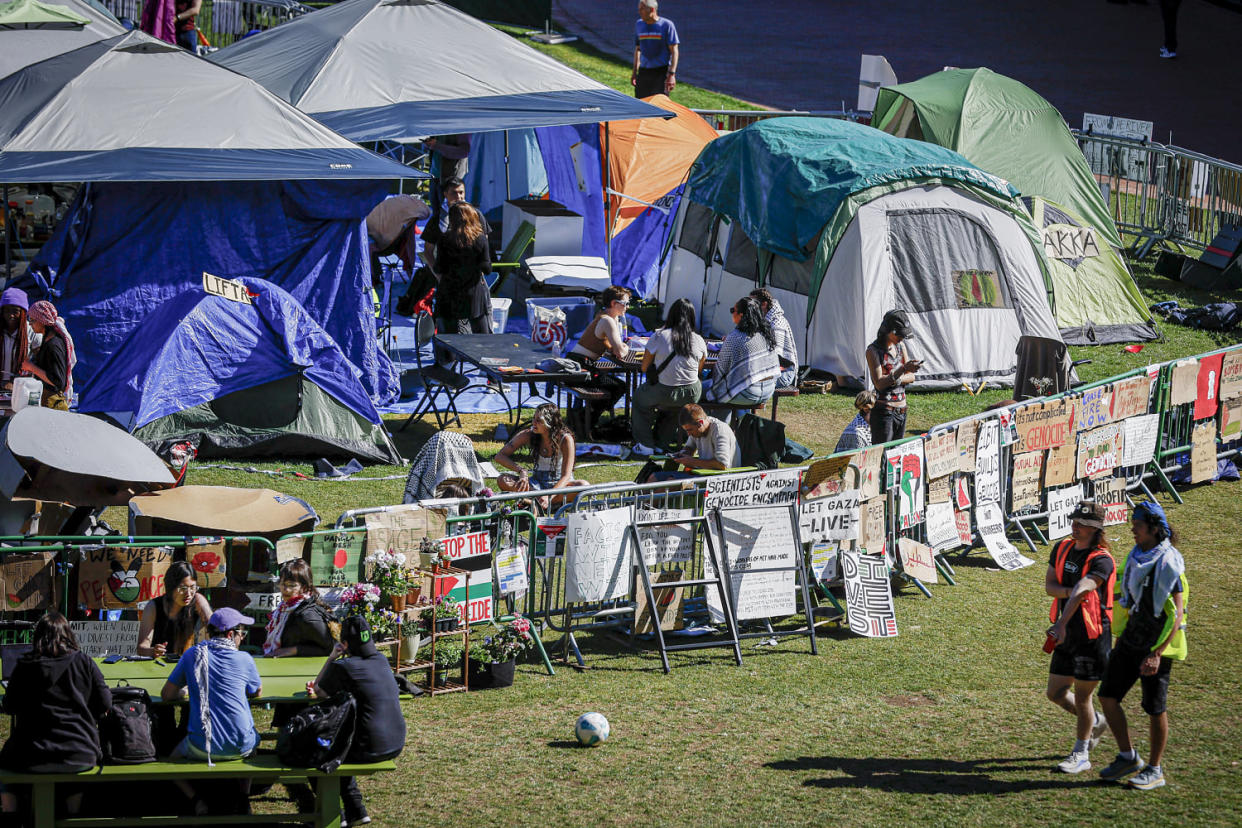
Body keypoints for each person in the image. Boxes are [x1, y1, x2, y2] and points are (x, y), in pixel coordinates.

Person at [1097, 500, 1187, 790]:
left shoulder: (1169, 562)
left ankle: (1155, 769)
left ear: (1154, 529)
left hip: (1156, 648)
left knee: (1155, 708)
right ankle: (1128, 756)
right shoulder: (1136, 556)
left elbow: (1177, 614)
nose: (1133, 529)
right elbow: (1130, 598)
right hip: (1131, 640)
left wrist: (1157, 654)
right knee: (1108, 696)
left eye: (1138, 525)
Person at [0, 612, 111, 817]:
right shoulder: (84, 662)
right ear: (69, 635)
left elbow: (9, 705)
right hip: (79, 751)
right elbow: (105, 703)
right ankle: (72, 814)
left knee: (4, 771)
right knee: (73, 785)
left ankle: (11, 812)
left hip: (31, 754)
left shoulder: (25, 665)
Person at [307, 616, 406, 827]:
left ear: (345, 644)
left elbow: (317, 690)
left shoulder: (344, 666)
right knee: (342, 744)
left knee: (318, 751)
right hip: (396, 742)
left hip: (370, 747)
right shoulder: (381, 660)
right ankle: (356, 809)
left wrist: (333, 656)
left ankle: (335, 815)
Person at [1044, 501, 1115, 774]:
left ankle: (1081, 753)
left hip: (1092, 635)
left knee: (1084, 697)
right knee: (1056, 693)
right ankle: (1095, 722)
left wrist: (1062, 620)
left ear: (1095, 529)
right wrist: (1072, 592)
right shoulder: (1062, 548)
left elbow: (1086, 588)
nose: (1075, 526)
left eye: (1082, 524)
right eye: (1074, 521)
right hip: (1066, 634)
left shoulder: (1102, 560)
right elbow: (1051, 587)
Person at [161, 607, 262, 762]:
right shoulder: (245, 658)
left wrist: (183, 692)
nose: (241, 638)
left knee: (170, 763)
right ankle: (246, 786)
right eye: (241, 633)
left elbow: (167, 695)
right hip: (242, 745)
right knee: (252, 748)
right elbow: (256, 691)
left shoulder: (192, 654)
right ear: (230, 635)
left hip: (202, 746)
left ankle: (187, 788)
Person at [631, 298, 706, 455]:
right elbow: (699, 369)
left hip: (664, 389)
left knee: (639, 399)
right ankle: (661, 443)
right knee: (676, 408)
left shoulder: (659, 336)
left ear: (670, 314)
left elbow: (645, 367)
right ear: (692, 317)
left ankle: (645, 445)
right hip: (692, 391)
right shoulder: (699, 339)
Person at [568, 286, 634, 434]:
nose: (627, 307)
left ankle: (585, 416)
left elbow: (613, 347)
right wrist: (626, 347)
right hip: (581, 367)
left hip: (582, 363)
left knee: (614, 383)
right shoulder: (607, 320)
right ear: (613, 303)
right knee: (619, 387)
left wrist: (619, 346)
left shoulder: (608, 317)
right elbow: (620, 351)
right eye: (624, 303)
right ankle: (587, 419)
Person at [495, 403, 588, 508]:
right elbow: (500, 456)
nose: (533, 422)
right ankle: (546, 503)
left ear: (550, 423)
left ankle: (534, 502)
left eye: (539, 420)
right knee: (502, 479)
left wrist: (549, 496)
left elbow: (566, 476)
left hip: (561, 486)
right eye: (533, 418)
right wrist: (522, 471)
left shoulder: (565, 439)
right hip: (536, 485)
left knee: (583, 485)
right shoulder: (528, 434)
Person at [705, 296, 778, 405]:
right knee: (732, 384)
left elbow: (721, 370)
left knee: (707, 388)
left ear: (741, 315)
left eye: (733, 310)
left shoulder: (736, 337)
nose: (731, 313)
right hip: (768, 390)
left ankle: (717, 420)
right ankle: (732, 420)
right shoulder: (766, 334)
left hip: (749, 393)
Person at [433, 202, 492, 335]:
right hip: (473, 293)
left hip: (449, 292)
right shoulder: (481, 239)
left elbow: (438, 268)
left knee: (449, 338)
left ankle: (449, 356)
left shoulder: (444, 239)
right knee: (482, 337)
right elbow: (487, 268)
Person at [137, 560, 213, 659]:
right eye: (183, 588)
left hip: (187, 662)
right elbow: (141, 649)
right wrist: (153, 651)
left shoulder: (197, 600)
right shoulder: (153, 607)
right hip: (158, 664)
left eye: (193, 587)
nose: (189, 594)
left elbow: (214, 626)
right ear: (171, 587)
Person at [865, 309, 919, 444]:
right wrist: (903, 369)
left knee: (897, 455)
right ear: (889, 332)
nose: (902, 338)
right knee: (883, 455)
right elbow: (879, 383)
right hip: (885, 412)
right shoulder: (873, 351)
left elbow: (911, 377)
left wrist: (897, 378)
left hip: (902, 409)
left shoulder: (901, 346)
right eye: (899, 335)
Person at [263, 560, 336, 658]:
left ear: (304, 588)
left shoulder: (308, 616)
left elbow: (331, 648)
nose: (285, 589)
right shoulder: (284, 609)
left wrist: (293, 650)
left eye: (291, 585)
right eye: (282, 583)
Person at [656, 403, 740, 479]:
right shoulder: (697, 429)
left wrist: (692, 461)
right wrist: (683, 453)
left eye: (690, 430)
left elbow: (723, 465)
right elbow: (689, 447)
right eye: (686, 430)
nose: (688, 434)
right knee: (654, 477)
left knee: (671, 481)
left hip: (719, 478)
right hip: (703, 473)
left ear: (700, 423)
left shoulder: (720, 430)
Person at [22, 299, 75, 410]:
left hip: (53, 404)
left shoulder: (53, 345)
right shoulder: (46, 340)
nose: (30, 324)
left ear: (42, 321)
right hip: (47, 401)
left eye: (32, 320)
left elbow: (57, 381)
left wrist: (31, 367)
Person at [749, 288, 798, 388]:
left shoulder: (776, 323)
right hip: (769, 370)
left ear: (764, 304)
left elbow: (774, 355)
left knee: (748, 383)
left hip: (784, 373)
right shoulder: (762, 318)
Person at [631, 0, 679, 98]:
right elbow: (638, 49)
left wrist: (671, 74)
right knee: (641, 103)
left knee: (659, 104)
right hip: (644, 71)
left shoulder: (666, 25)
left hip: (661, 72)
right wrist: (634, 72)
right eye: (639, 9)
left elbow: (674, 51)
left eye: (642, 9)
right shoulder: (639, 24)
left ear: (652, 9)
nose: (639, 11)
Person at [0, 287, 31, 389]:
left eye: (15, 311)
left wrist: (15, 382)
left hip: (21, 387)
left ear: (23, 313)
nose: (11, 315)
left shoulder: (31, 331)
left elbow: (38, 362)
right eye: (7, 311)